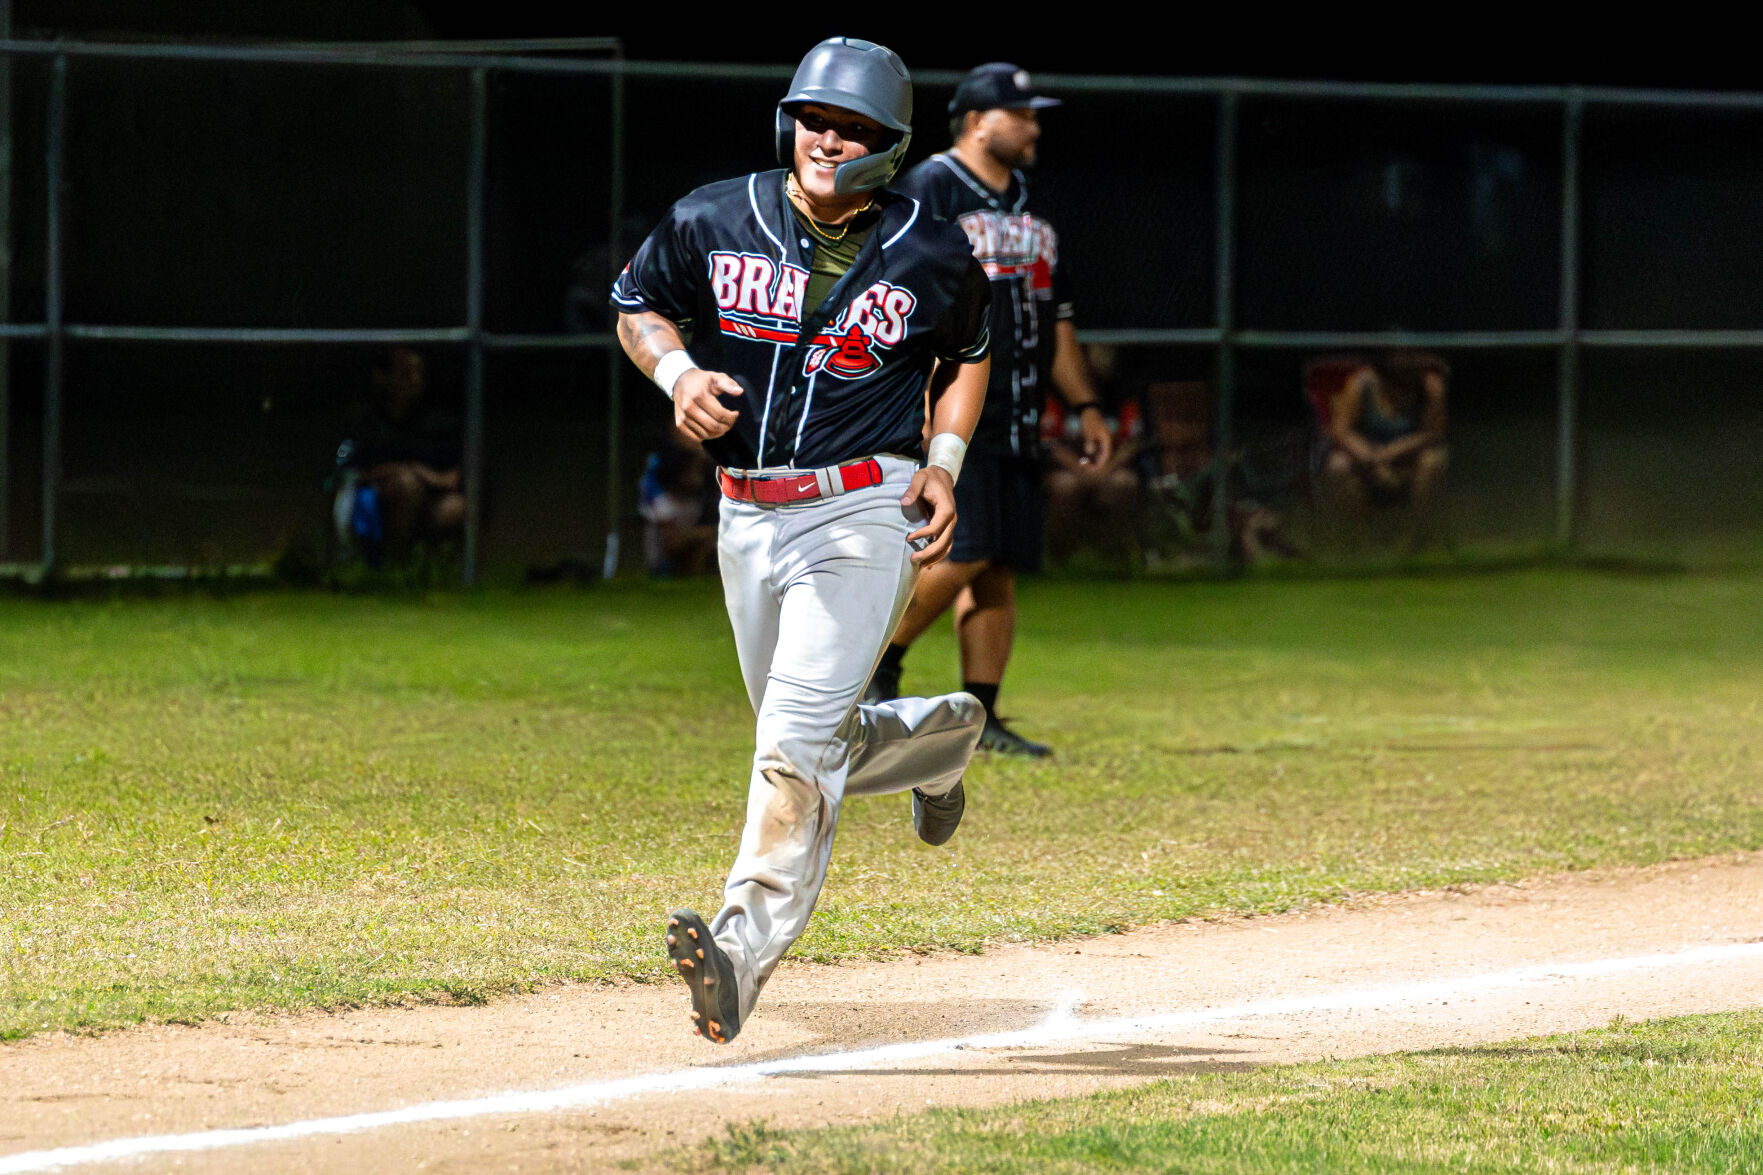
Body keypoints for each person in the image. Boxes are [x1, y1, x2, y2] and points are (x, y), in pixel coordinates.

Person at [610, 37, 993, 1045]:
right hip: (746, 512)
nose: (827, 138)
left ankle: (735, 953)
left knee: (790, 742)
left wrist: (942, 459)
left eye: (854, 128)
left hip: (862, 509)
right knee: (814, 741)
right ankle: (945, 736)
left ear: (890, 145)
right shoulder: (712, 214)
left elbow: (965, 356)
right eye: (815, 118)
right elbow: (635, 302)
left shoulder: (932, 245)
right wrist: (676, 375)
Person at [864, 63, 1111, 758]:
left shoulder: (1031, 200)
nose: (1033, 127)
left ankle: (981, 717)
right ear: (978, 121)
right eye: (1021, 114)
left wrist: (1084, 403)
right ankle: (869, 672)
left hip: (1021, 413)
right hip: (953, 410)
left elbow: (1054, 316)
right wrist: (909, 403)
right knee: (965, 553)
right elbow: (894, 304)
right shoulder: (928, 189)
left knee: (997, 562)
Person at [332, 347, 465, 567]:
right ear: (382, 377)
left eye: (418, 373)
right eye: (405, 373)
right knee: (408, 485)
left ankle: (437, 572)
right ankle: (393, 567)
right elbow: (345, 468)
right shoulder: (362, 421)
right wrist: (407, 472)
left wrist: (423, 476)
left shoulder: (438, 422)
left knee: (455, 507)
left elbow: (453, 476)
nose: (414, 380)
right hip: (371, 499)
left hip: (428, 497)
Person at [1316, 350, 1449, 552]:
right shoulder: (1361, 385)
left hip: (1408, 460)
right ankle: (1360, 544)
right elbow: (1341, 430)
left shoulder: (1429, 385)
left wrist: (1391, 452)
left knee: (1433, 461)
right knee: (1338, 465)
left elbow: (1433, 433)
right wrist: (1371, 458)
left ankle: (1417, 542)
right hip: (1366, 459)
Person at [638, 426, 718, 577]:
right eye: (692, 472)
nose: (698, 478)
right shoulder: (661, 499)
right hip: (663, 563)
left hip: (691, 557)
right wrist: (704, 534)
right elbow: (671, 542)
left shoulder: (698, 496)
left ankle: (697, 574)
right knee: (708, 535)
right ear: (679, 474)